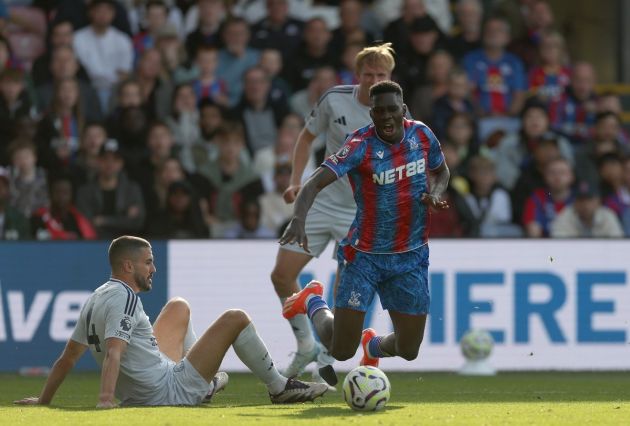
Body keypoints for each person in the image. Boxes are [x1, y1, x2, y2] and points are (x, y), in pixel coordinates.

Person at [14, 236, 328, 407]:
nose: (153, 268)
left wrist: (44, 401)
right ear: (128, 265)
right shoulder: (125, 297)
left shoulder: (96, 297)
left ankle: (203, 386)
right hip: (169, 391)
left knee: (179, 306)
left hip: (153, 382)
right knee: (236, 318)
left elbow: (67, 358)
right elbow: (113, 352)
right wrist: (105, 401)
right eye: (148, 262)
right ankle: (279, 387)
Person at [281, 80, 449, 382]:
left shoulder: (422, 134)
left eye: (392, 110)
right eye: (379, 111)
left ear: (404, 110)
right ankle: (312, 300)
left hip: (410, 256)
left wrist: (435, 194)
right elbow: (315, 182)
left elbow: (441, 170)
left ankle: (372, 345)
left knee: (409, 349)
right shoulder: (360, 146)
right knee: (342, 350)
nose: (386, 117)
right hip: (364, 257)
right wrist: (298, 219)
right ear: (371, 114)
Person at [270, 43, 397, 382]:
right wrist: (296, 181)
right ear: (358, 76)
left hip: (361, 214)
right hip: (321, 202)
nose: (373, 80)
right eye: (368, 74)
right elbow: (307, 137)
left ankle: (326, 353)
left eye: (380, 75)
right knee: (281, 275)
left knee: (346, 300)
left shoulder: (396, 111)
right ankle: (306, 344)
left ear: (390, 77)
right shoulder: (334, 99)